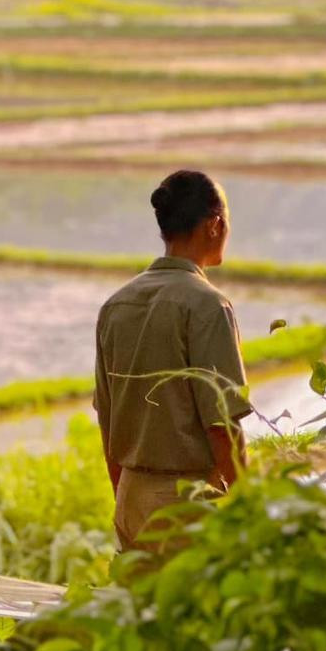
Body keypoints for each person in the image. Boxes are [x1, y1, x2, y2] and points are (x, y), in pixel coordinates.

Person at [94, 170, 252, 553]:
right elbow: (221, 426)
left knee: (141, 610)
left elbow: (107, 420)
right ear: (214, 225)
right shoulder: (208, 305)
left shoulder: (116, 305)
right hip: (188, 500)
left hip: (131, 495)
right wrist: (250, 507)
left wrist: (124, 494)